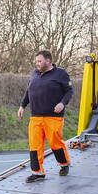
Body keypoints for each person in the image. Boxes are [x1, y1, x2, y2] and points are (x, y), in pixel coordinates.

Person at [17, 50, 72, 182]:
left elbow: (69, 91)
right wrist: (22, 106)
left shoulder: (60, 73)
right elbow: (28, 91)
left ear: (48, 61)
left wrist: (62, 103)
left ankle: (64, 164)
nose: (37, 63)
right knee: (34, 145)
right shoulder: (34, 74)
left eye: (39, 61)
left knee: (55, 143)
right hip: (35, 116)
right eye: (36, 61)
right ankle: (37, 173)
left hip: (53, 116)